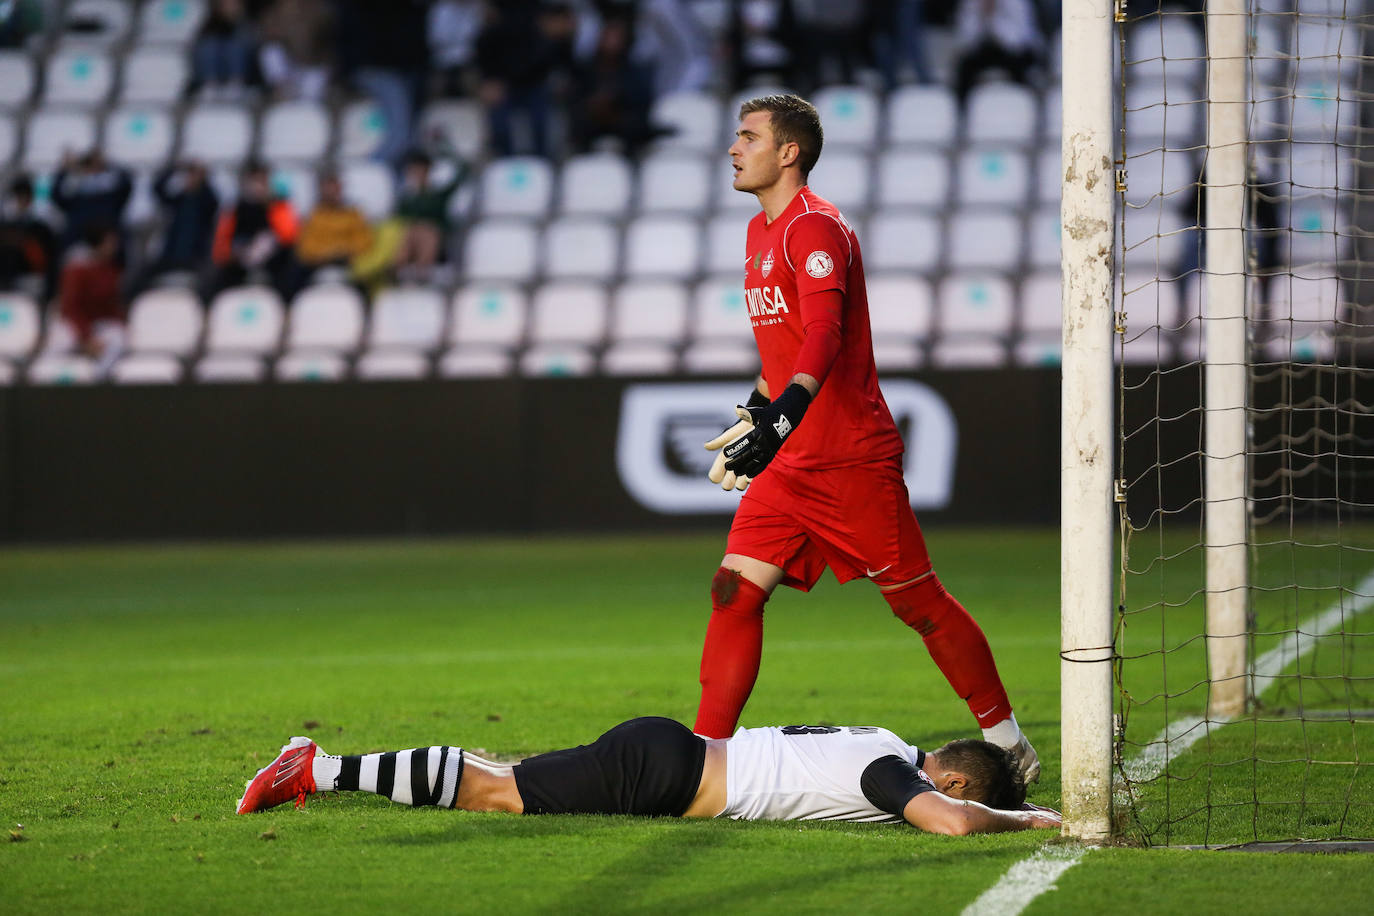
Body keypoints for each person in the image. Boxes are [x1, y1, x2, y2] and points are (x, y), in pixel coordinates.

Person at [692, 94, 1040, 782]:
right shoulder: (759, 233)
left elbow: (826, 334)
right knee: (734, 591)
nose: (734, 149)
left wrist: (785, 413)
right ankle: (703, 756)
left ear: (788, 152)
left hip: (850, 458)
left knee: (918, 603)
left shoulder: (815, 230)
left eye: (748, 136)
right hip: (793, 464)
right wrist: (761, 405)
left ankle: (1007, 741)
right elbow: (785, 348)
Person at [236, 717, 1060, 835]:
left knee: (500, 775)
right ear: (950, 781)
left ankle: (325, 766)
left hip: (673, 754)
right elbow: (948, 825)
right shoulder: (888, 772)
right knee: (497, 792)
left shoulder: (883, 738)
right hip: (665, 777)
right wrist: (1026, 820)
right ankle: (322, 768)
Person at [209, 161, 298, 299]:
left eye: (262, 181)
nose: (257, 186)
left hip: (273, 264)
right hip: (238, 262)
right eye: (254, 180)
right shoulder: (236, 209)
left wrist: (271, 206)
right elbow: (222, 244)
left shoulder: (278, 206)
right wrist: (233, 254)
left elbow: (288, 236)